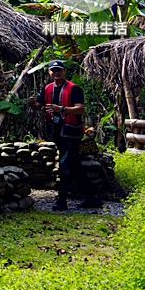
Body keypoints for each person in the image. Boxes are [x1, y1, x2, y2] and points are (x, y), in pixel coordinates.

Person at [30, 60, 100, 210]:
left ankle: (62, 200)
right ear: (49, 72)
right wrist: (33, 104)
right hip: (57, 131)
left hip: (71, 132)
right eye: (53, 70)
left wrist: (61, 108)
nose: (56, 73)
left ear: (64, 71)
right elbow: (38, 105)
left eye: (59, 70)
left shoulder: (74, 89)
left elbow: (80, 109)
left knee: (65, 164)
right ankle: (92, 196)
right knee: (73, 164)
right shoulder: (48, 88)